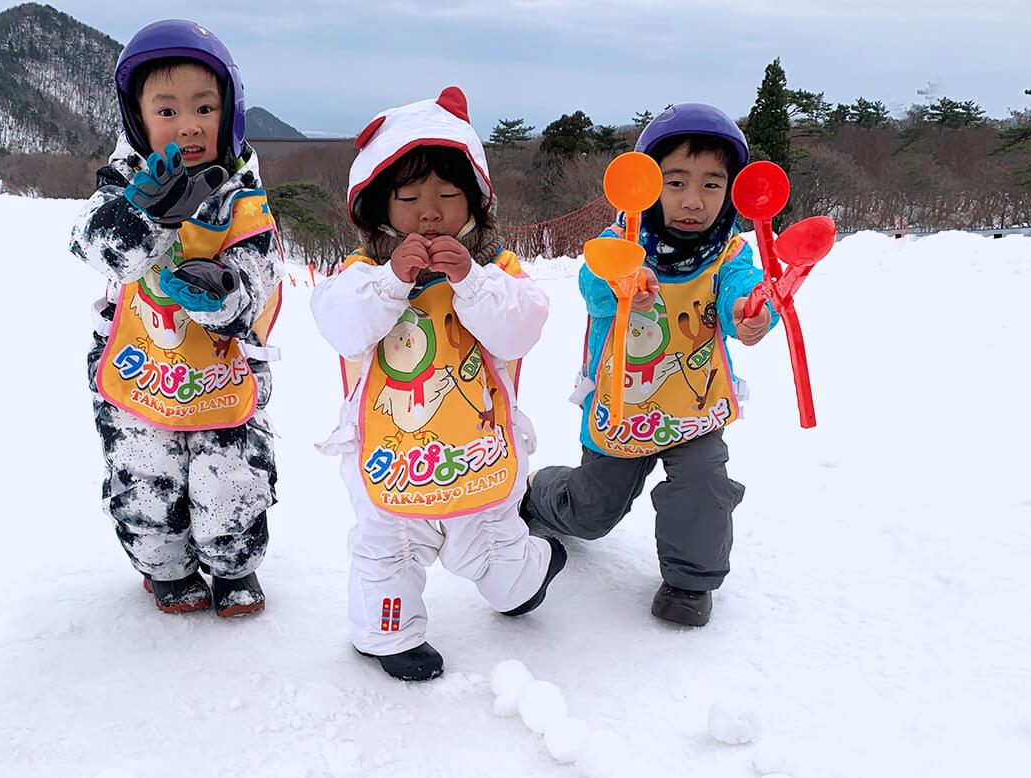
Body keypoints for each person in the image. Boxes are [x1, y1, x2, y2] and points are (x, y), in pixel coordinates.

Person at [310, 87, 566, 681]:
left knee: (494, 541)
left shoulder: (496, 271)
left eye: (447, 196)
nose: (430, 212)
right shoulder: (360, 274)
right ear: (378, 206)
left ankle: (526, 577)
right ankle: (387, 632)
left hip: (478, 450)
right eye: (410, 198)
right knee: (389, 544)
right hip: (391, 454)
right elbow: (340, 327)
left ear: (473, 202)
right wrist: (389, 283)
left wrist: (471, 282)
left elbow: (521, 329)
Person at [520, 103, 778, 628]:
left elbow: (745, 291)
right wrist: (622, 285)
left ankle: (690, 582)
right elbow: (594, 284)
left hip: (692, 403)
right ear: (645, 185)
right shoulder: (620, 245)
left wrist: (752, 312)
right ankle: (542, 496)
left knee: (704, 481)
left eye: (712, 185)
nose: (693, 200)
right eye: (676, 182)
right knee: (593, 513)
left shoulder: (729, 251)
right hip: (625, 404)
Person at [68, 20, 284, 616]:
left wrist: (224, 293)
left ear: (229, 111)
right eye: (166, 110)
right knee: (146, 475)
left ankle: (235, 565)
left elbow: (264, 273)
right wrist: (146, 216)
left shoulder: (243, 194)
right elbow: (91, 247)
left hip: (222, 371)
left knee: (230, 475)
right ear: (138, 119)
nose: (187, 124)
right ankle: (163, 566)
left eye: (204, 106)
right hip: (140, 368)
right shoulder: (121, 185)